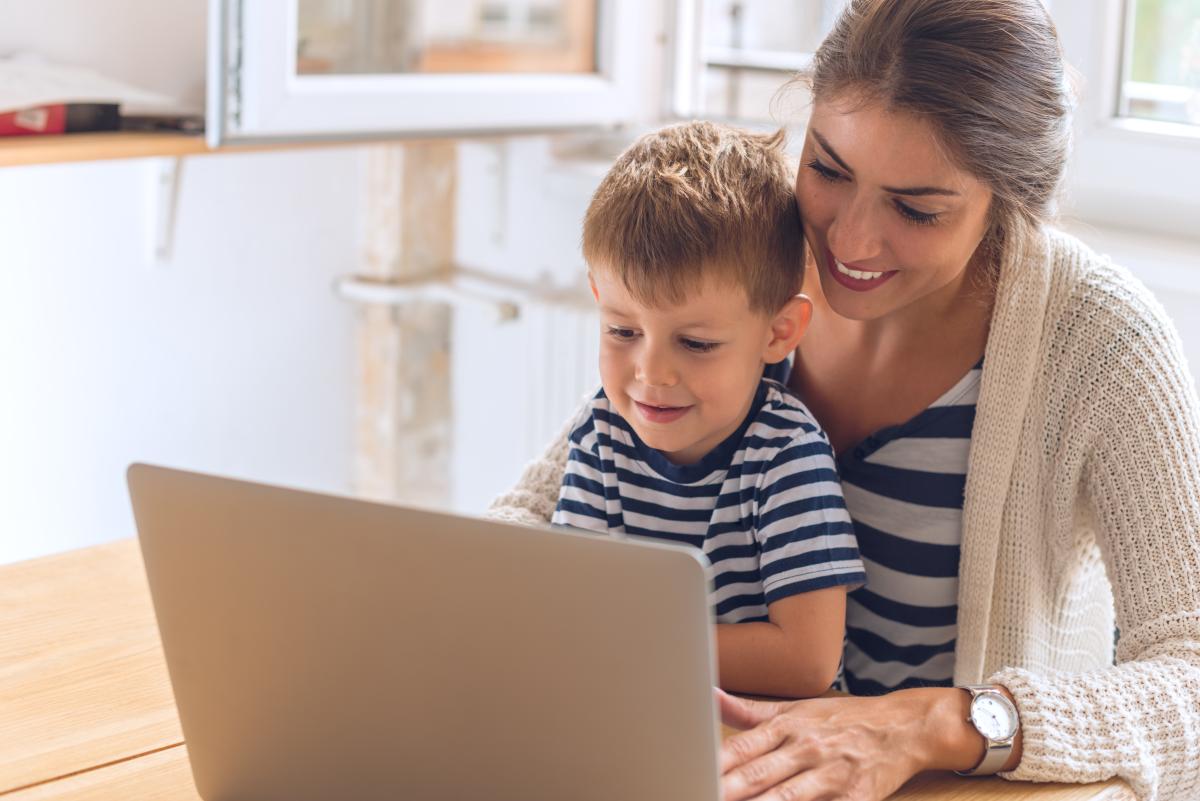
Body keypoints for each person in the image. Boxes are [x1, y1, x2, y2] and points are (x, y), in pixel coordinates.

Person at [489, 0, 1200, 799]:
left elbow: (1190, 676)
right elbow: (528, 520)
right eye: (828, 169)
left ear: (1008, 199)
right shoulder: (751, 255)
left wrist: (940, 723)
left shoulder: (1101, 342)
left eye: (916, 208)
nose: (849, 244)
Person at [551, 121, 866, 699]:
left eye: (695, 344)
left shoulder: (785, 454)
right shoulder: (600, 435)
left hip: (773, 740)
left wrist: (632, 646)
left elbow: (807, 661)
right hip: (640, 712)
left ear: (778, 333)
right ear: (598, 299)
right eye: (623, 330)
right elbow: (570, 609)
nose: (651, 373)